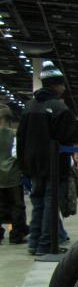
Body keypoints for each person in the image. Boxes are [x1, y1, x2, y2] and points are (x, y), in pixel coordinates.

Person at [16, 61, 78, 256]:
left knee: (38, 204)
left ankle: (35, 243)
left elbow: (20, 138)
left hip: (33, 167)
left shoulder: (29, 107)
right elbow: (69, 137)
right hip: (53, 166)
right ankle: (47, 244)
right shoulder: (59, 108)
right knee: (49, 205)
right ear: (56, 85)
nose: (64, 88)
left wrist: (23, 166)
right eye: (62, 84)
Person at [0, 104, 28, 244]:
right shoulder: (15, 134)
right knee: (17, 206)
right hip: (13, 176)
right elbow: (19, 155)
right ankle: (16, 235)